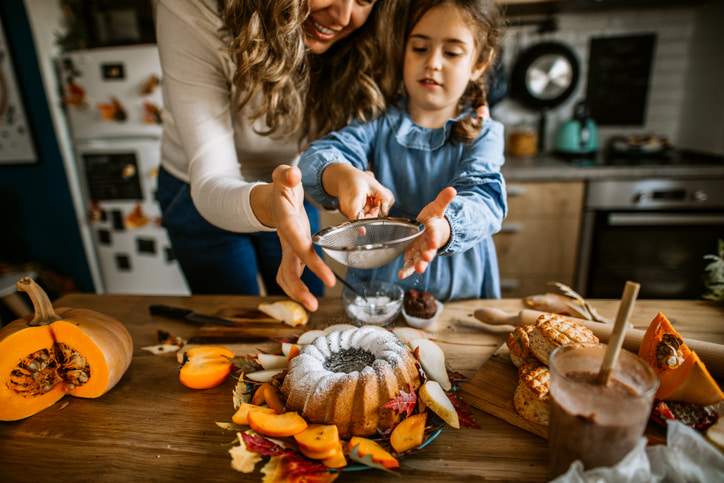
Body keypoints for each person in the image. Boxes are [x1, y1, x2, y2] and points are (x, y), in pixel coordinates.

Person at [153, 0, 404, 311]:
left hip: (292, 190)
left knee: (303, 310)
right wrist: (271, 204)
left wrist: (342, 174)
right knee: (235, 322)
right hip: (196, 193)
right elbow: (211, 180)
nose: (341, 17)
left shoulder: (365, 45)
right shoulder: (191, 8)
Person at [300, 0, 507, 301]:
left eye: (451, 53)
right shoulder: (375, 121)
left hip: (460, 290)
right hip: (382, 282)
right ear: (402, 51)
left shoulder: (485, 133)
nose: (433, 62)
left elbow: (486, 199)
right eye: (420, 48)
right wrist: (344, 176)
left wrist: (447, 226)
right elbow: (321, 156)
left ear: (479, 64)